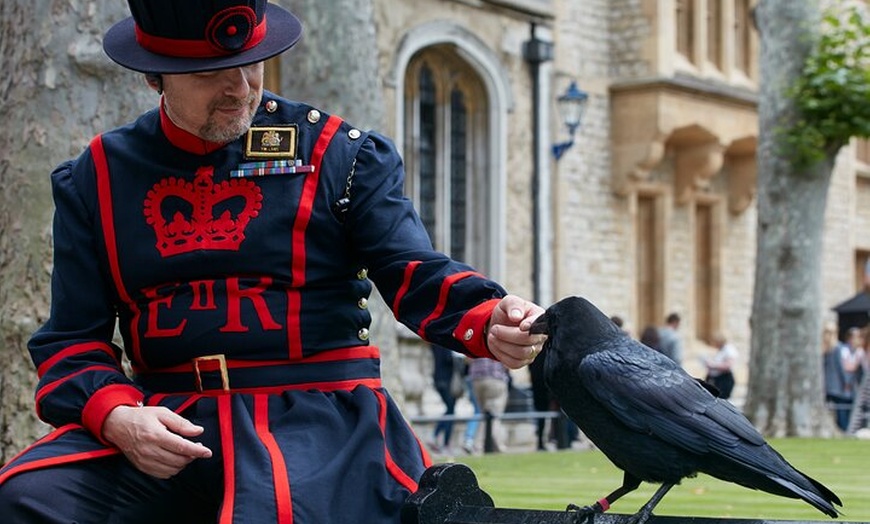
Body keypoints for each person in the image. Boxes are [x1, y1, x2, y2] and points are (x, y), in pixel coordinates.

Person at [0, 2, 546, 522]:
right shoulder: (94, 177)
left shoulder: (341, 153)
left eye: (250, 63)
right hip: (163, 421)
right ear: (154, 77)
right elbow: (70, 339)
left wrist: (487, 316)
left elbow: (413, 270)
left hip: (319, 421)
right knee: (26, 499)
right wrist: (117, 417)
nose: (239, 89)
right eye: (210, 73)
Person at [468, 357, 511, 453]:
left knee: (485, 415)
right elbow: (508, 363)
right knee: (493, 416)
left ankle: (495, 445)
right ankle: (479, 445)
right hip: (495, 378)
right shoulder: (498, 341)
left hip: (477, 379)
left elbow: (468, 359)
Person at [428, 345, 463, 453]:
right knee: (451, 411)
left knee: (449, 409)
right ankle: (444, 442)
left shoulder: (435, 343)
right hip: (447, 380)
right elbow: (448, 359)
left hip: (439, 378)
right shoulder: (444, 343)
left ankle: (436, 437)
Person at [703, 332, 738, 400]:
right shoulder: (721, 350)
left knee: (721, 399)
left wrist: (713, 365)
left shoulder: (729, 350)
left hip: (724, 379)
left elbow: (728, 365)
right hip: (716, 379)